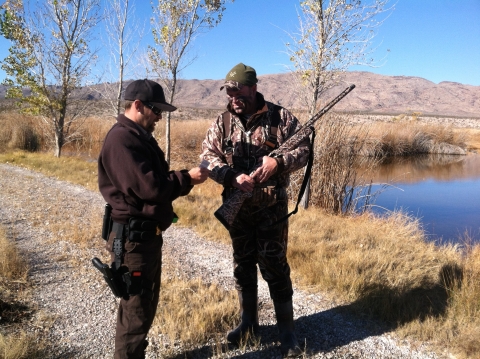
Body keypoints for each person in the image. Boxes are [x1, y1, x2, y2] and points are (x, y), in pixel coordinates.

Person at [200, 63, 310, 357]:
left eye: (238, 91)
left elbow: (304, 148)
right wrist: (229, 176)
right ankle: (248, 325)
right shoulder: (222, 122)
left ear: (253, 87)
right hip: (238, 211)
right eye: (228, 91)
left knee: (275, 266)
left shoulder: (281, 117)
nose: (233, 97)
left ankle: (287, 332)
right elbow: (206, 158)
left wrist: (279, 162)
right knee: (242, 265)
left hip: (271, 210)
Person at [97, 79, 209, 359]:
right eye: (157, 110)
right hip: (133, 243)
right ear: (138, 105)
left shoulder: (136, 137)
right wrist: (188, 178)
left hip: (144, 239)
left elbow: (153, 183)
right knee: (135, 316)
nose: (160, 117)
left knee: (142, 308)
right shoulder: (122, 139)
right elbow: (151, 188)